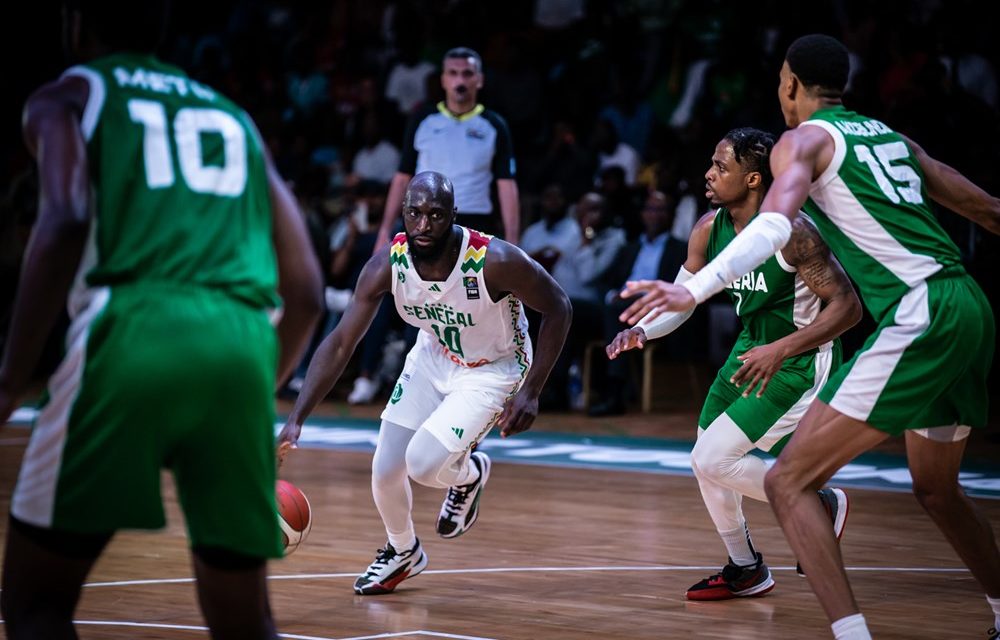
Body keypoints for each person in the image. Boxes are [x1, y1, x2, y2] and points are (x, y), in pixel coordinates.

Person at [619, 34, 1000, 640]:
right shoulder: (891, 140)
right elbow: (988, 211)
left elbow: (775, 223)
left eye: (780, 83)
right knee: (937, 489)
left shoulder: (803, 141)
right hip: (970, 303)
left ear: (791, 84)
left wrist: (695, 290)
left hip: (918, 310)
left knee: (786, 481)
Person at [0, 2, 324, 639]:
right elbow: (307, 290)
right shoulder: (233, 118)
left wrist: (11, 377)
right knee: (246, 623)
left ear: (76, 24)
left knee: (36, 605)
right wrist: (256, 386)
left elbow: (63, 218)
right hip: (240, 344)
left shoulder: (67, 94)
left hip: (133, 333)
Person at [279, 171, 571, 595]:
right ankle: (403, 552)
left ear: (453, 215)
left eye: (435, 215)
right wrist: (297, 418)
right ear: (402, 212)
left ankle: (468, 474)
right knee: (384, 470)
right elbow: (342, 342)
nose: (422, 225)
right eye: (414, 213)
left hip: (494, 368)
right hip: (433, 357)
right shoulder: (388, 264)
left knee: (422, 465)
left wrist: (531, 391)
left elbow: (559, 307)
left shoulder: (495, 260)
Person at [608, 127, 861, 599]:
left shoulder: (795, 234)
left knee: (712, 459)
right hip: (750, 352)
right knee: (705, 460)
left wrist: (780, 349)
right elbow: (684, 301)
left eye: (721, 167)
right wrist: (643, 330)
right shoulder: (709, 228)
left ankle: (816, 504)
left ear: (752, 180)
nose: (708, 173)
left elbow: (848, 309)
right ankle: (746, 567)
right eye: (712, 162)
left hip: (798, 360)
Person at [375, 47, 520, 246]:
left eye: (467, 73)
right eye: (453, 73)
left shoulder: (494, 125)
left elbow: (507, 184)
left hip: (475, 222)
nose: (460, 81)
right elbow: (402, 177)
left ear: (479, 79)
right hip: (423, 218)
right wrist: (384, 231)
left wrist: (513, 239)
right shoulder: (423, 120)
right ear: (443, 79)